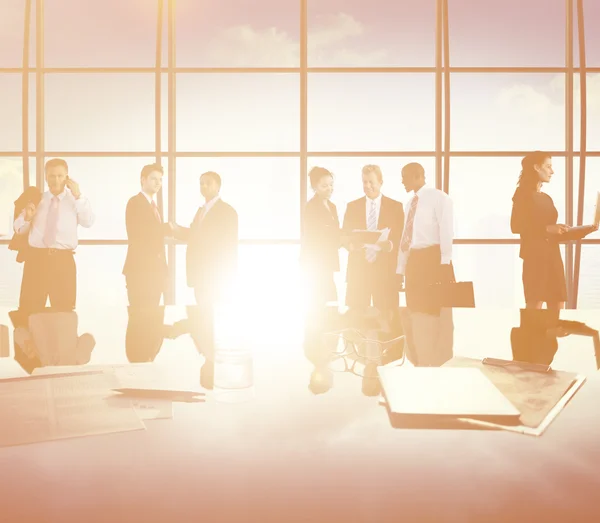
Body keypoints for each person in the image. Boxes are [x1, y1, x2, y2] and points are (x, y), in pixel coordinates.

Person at [510, 151, 597, 309]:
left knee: (558, 309)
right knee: (534, 309)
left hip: (553, 258)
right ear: (536, 167)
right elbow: (516, 226)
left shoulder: (546, 198)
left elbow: (553, 234)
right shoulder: (522, 194)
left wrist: (587, 229)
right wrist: (547, 229)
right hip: (535, 259)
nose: (552, 171)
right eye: (548, 166)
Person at [13, 158, 95, 312]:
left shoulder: (76, 201)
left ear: (67, 178)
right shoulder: (37, 200)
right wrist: (28, 218)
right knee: (29, 311)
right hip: (36, 261)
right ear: (45, 177)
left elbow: (88, 222)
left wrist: (78, 196)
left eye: (60, 176)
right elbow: (18, 229)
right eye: (52, 176)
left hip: (63, 262)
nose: (56, 180)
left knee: (64, 312)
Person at [342, 164, 404, 314]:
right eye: (364, 182)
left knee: (387, 322)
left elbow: (401, 237)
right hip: (359, 271)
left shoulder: (395, 207)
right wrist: (350, 245)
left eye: (371, 182)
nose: (367, 186)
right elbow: (344, 235)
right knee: (356, 321)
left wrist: (389, 244)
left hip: (385, 272)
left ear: (381, 182)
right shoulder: (352, 206)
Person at [172, 171, 238, 306]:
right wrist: (175, 230)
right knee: (203, 314)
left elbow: (227, 245)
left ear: (218, 186)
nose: (204, 186)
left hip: (215, 275)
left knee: (212, 316)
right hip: (200, 274)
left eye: (208, 183)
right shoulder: (201, 211)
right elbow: (195, 236)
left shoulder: (227, 211)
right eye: (201, 183)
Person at [396, 162, 454, 313]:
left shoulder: (440, 198)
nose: (402, 181)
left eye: (405, 177)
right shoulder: (409, 204)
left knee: (433, 310)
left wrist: (445, 262)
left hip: (432, 260)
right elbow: (406, 237)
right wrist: (400, 269)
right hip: (413, 261)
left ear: (418, 176)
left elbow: (446, 231)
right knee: (413, 309)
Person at [122, 163, 172, 306]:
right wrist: (168, 228)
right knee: (139, 318)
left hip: (155, 272)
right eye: (153, 179)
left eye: (160, 179)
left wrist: (164, 272)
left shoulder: (154, 207)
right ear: (143, 180)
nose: (158, 183)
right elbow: (140, 233)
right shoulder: (135, 202)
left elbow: (157, 243)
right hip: (140, 271)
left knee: (153, 319)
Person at [300, 167, 341, 307]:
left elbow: (335, 232)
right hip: (316, 262)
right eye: (324, 186)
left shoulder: (332, 207)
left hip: (328, 262)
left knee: (329, 302)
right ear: (314, 187)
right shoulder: (311, 207)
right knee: (318, 302)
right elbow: (313, 236)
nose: (329, 188)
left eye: (331, 184)